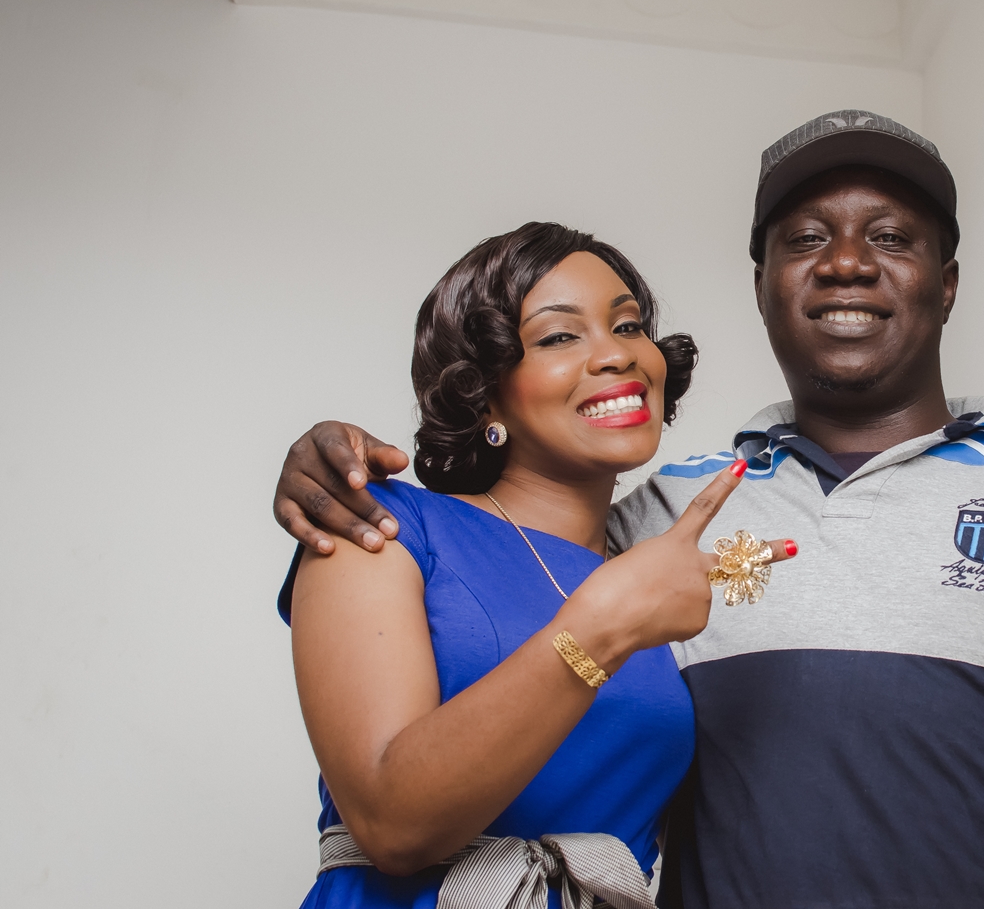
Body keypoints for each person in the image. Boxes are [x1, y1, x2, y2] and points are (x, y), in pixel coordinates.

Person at [274, 111, 984, 909]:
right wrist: (323, 463)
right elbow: (494, 552)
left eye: (892, 237)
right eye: (807, 239)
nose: (847, 262)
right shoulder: (659, 517)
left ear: (947, 285)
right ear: (763, 287)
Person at [277, 221, 793, 909]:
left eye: (629, 326)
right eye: (558, 336)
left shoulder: (659, 568)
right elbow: (391, 825)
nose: (616, 354)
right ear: (483, 389)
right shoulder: (381, 525)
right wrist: (598, 630)